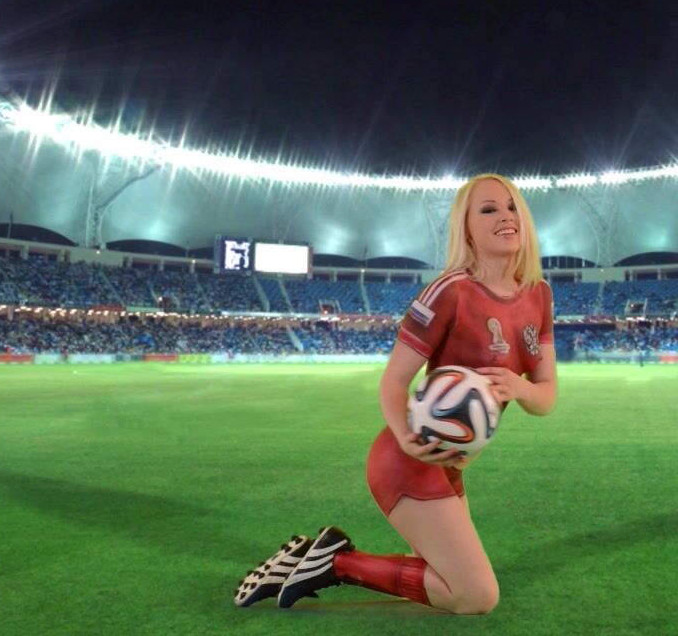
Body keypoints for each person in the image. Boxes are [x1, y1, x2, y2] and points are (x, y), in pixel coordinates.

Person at [234, 173, 557, 614]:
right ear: (466, 229)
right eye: (488, 209)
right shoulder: (449, 291)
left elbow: (546, 396)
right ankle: (337, 562)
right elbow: (393, 382)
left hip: (450, 469)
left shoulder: (539, 294)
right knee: (475, 594)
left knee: (444, 578)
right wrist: (406, 437)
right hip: (407, 461)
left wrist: (520, 387)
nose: (505, 216)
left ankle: (311, 557)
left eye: (512, 206)